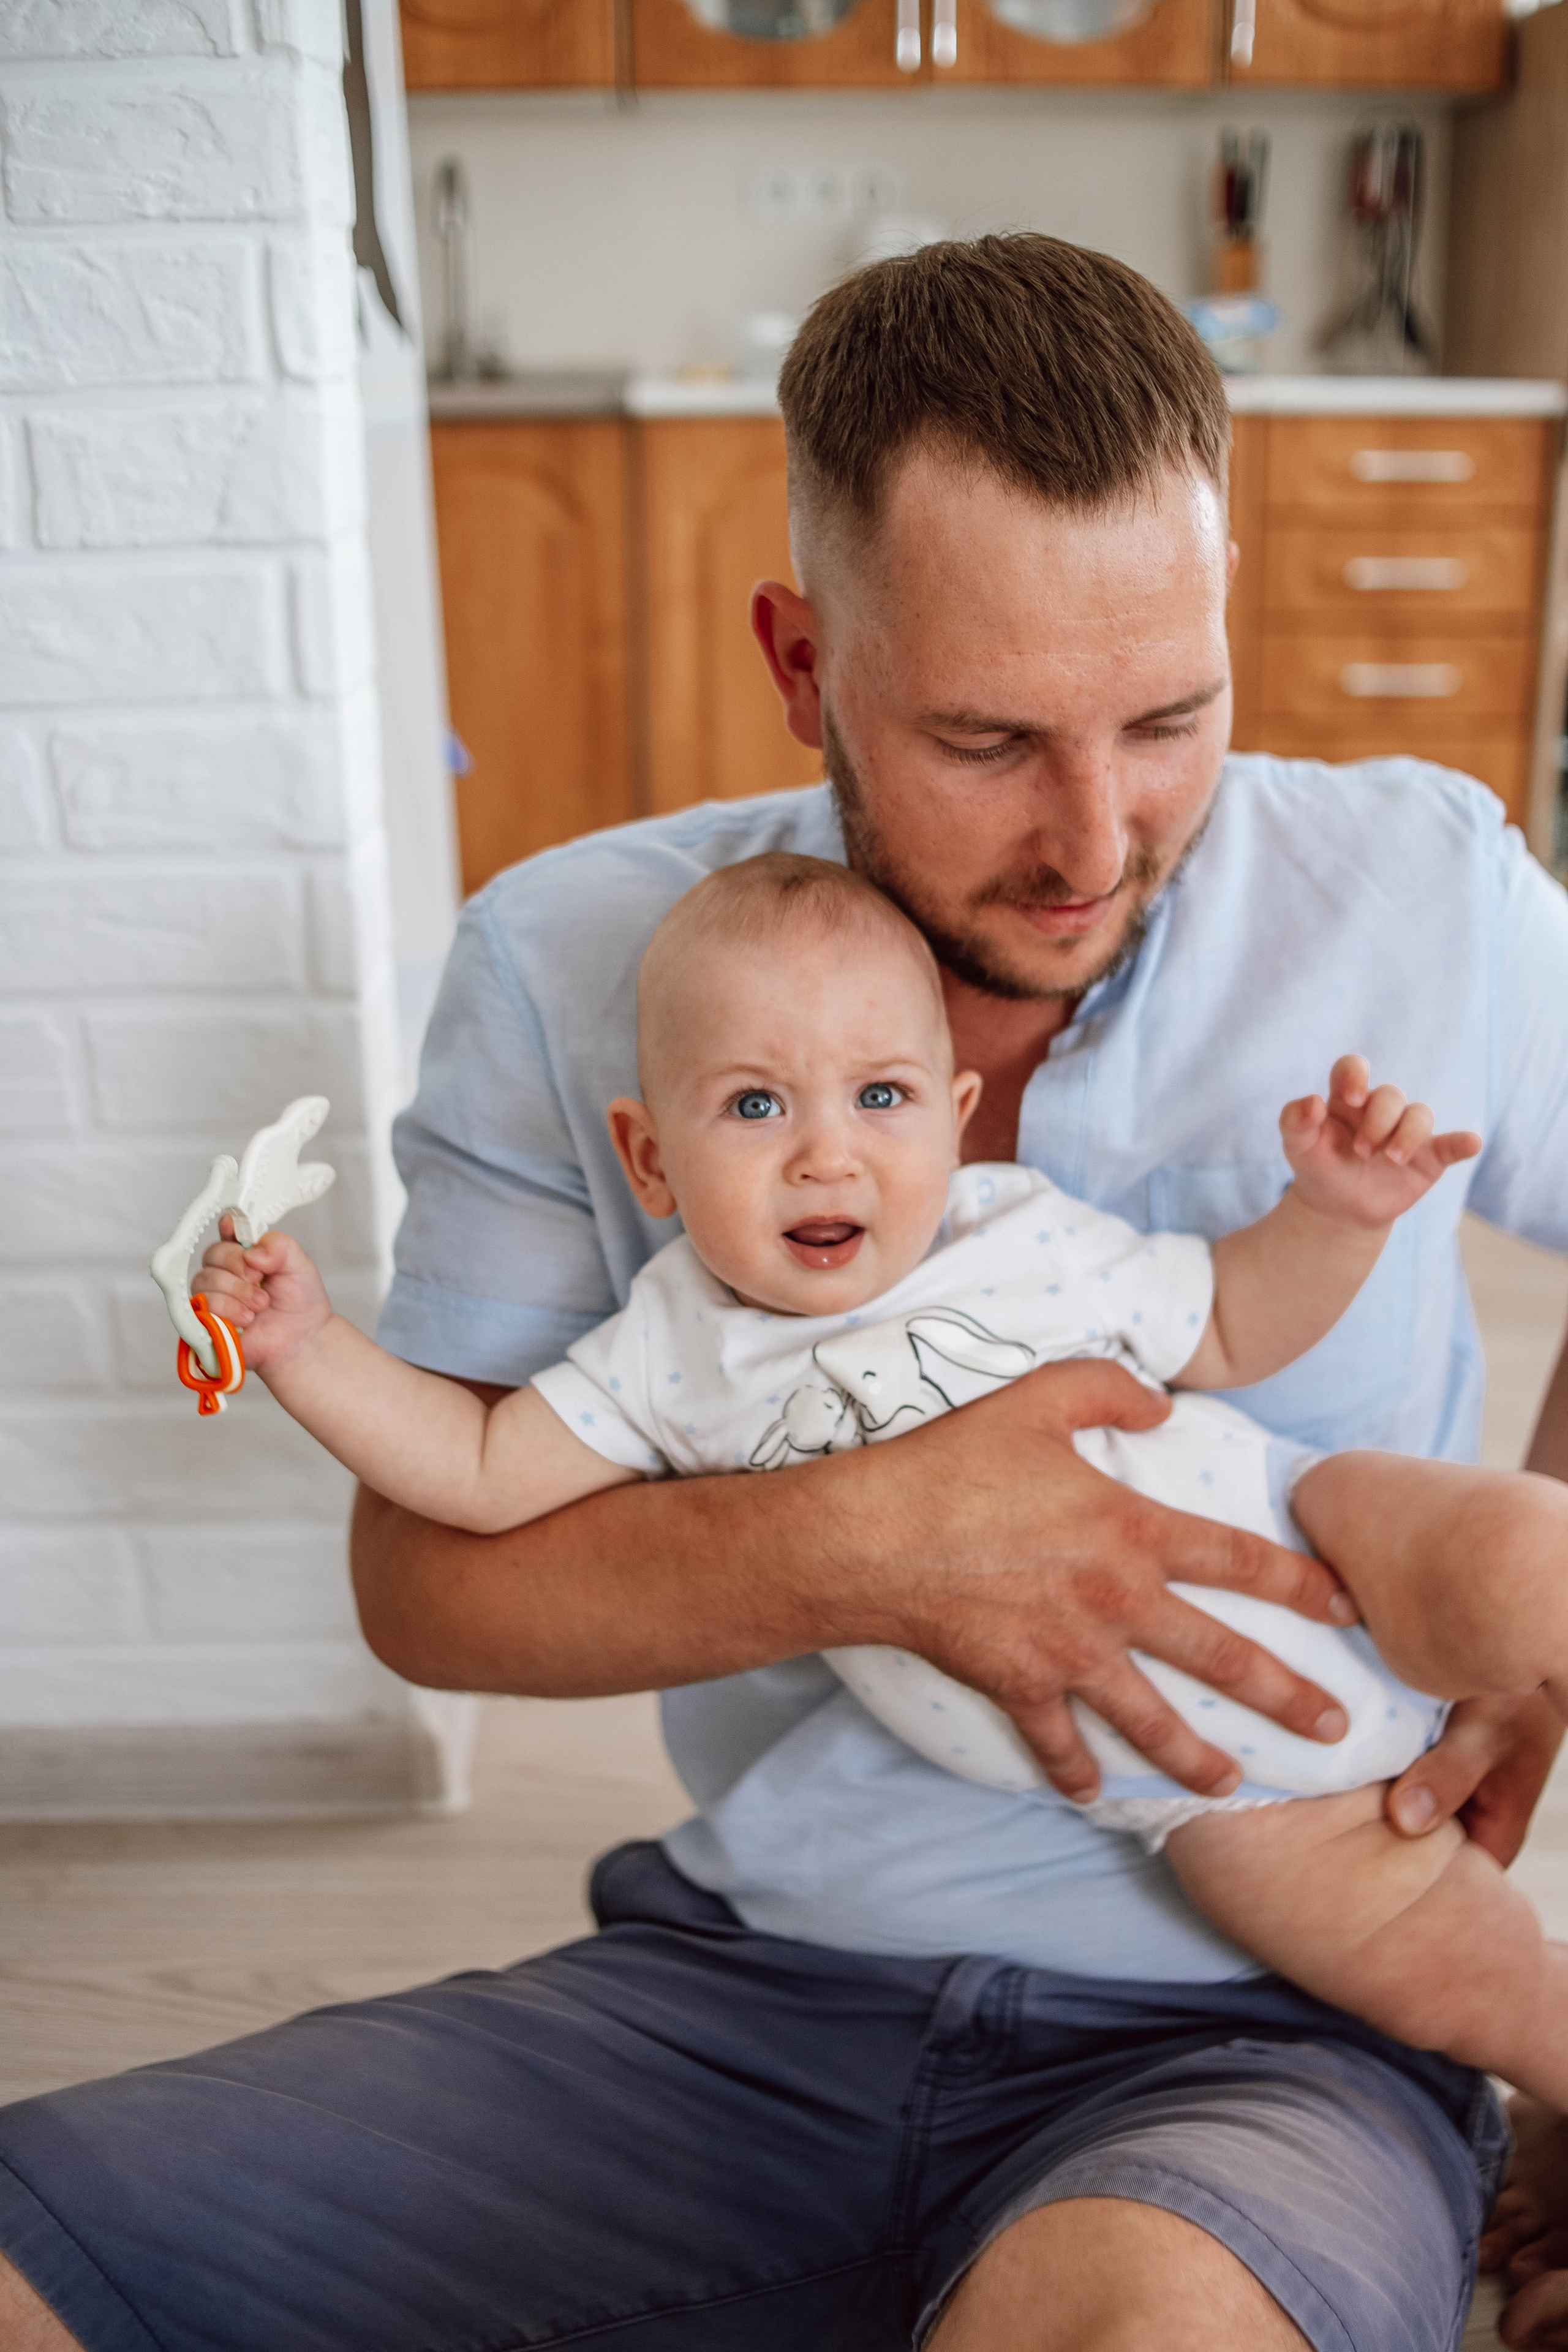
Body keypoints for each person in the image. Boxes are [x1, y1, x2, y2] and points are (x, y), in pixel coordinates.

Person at [3, 233, 1568, 2352]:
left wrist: (1529, 1665)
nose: (1093, 840)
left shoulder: (1424, 888)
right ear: (803, 661)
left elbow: (1249, 1322)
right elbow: (433, 1580)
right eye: (988, 738)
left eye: (1170, 717)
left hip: (1272, 2031)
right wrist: (887, 1546)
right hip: (736, 2001)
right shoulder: (578, 964)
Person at [194, 845, 1568, 2114]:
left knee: (1521, 1560)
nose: (825, 1152)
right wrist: (305, 1349)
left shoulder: (1012, 1234)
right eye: (753, 1104)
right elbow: (478, 1471)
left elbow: (1225, 1322)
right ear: (649, 1158)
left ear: (955, 1120)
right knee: (1464, 1989)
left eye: (881, 1096)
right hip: (1218, 1803)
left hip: (1319, 1542)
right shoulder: (670, 1355)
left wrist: (1332, 1215)